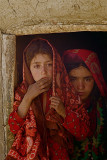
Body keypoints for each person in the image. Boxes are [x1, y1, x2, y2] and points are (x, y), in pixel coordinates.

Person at [6, 39, 90, 160]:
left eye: (49, 64)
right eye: (37, 66)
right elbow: (13, 127)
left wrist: (63, 112)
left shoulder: (66, 92)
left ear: (56, 65)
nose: (43, 71)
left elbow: (83, 132)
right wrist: (28, 97)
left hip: (59, 154)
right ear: (29, 68)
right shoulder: (23, 92)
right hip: (31, 155)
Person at [62, 49, 107, 160]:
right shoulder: (58, 106)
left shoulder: (104, 105)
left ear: (96, 79)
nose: (80, 87)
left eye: (87, 79)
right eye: (73, 79)